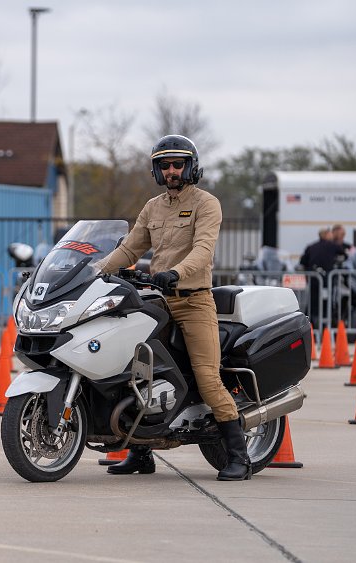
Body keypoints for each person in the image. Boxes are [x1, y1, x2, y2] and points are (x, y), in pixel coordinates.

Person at [93, 134, 251, 481]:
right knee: (136, 374)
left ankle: (239, 456)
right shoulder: (153, 207)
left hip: (194, 301)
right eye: (164, 165)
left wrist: (175, 272)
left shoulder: (206, 203)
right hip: (157, 301)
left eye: (178, 164)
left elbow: (203, 249)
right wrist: (93, 270)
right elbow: (130, 249)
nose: (171, 171)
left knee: (207, 378)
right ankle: (140, 453)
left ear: (191, 167)